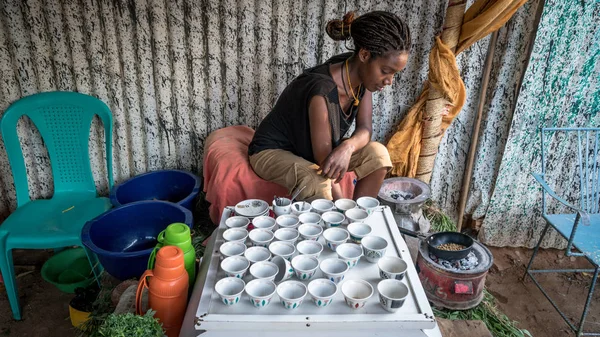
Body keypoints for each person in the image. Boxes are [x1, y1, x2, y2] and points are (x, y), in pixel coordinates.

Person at [248, 10, 411, 202]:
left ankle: (362, 217)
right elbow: (324, 163)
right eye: (385, 71)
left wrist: (349, 146)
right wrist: (343, 208)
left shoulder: (361, 77)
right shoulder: (321, 92)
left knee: (378, 155)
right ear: (365, 55)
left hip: (309, 150)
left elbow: (365, 128)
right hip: (272, 151)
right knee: (315, 181)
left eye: (394, 74)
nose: (389, 81)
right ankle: (342, 225)